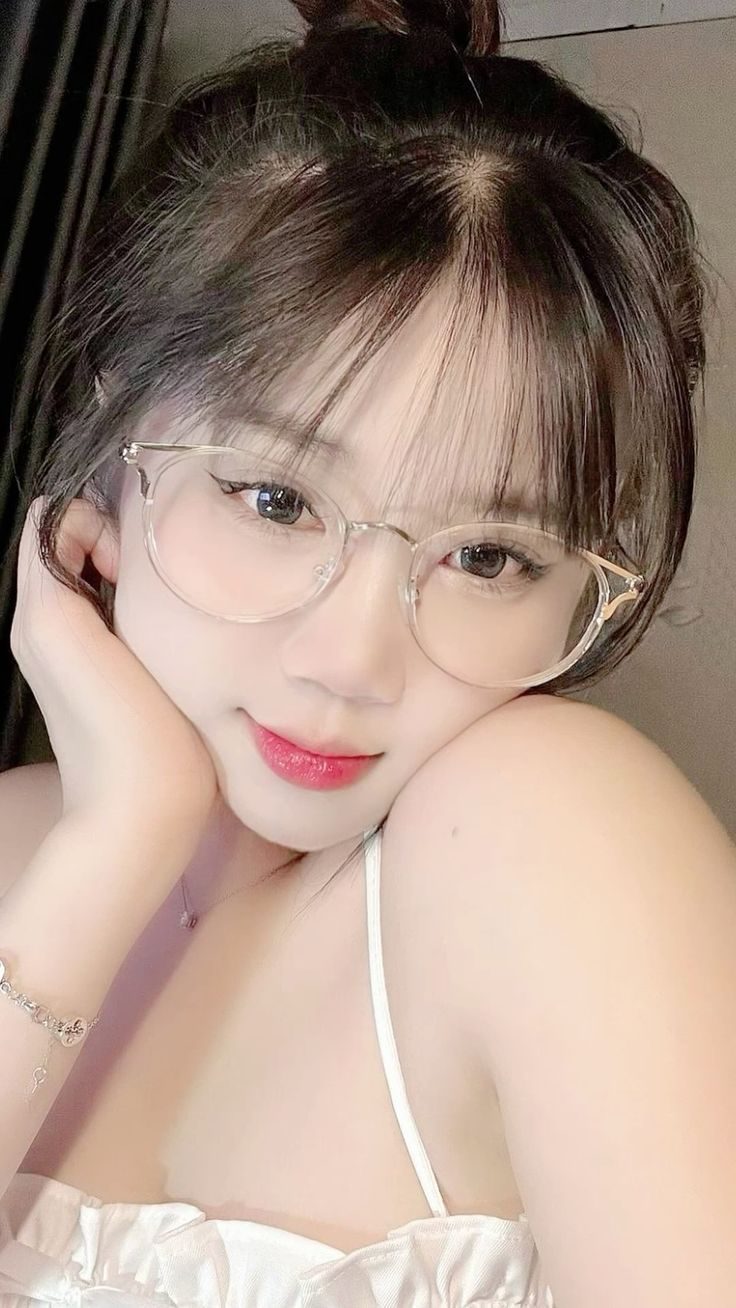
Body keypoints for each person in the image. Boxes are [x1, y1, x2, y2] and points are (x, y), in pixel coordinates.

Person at [1, 1, 735, 1304]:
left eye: (489, 557)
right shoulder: (19, 846)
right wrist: (110, 850)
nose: (352, 662)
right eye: (276, 500)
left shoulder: (541, 831)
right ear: (114, 454)